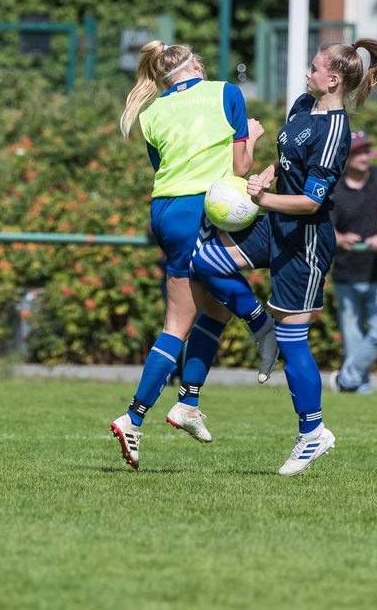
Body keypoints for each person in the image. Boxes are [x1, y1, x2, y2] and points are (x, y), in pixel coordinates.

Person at [191, 38, 377, 475]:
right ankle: (259, 325)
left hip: (304, 238)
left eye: (314, 68)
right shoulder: (304, 104)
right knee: (206, 259)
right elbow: (288, 163)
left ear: (333, 80)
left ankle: (313, 433)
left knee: (294, 341)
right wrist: (268, 172)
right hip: (277, 224)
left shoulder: (336, 130)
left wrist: (262, 200)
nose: (307, 73)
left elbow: (311, 203)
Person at [109, 41, 276, 470]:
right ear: (196, 65)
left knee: (213, 310)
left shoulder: (151, 114)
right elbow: (240, 169)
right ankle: (133, 418)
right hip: (199, 206)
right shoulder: (225, 92)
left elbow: (165, 167)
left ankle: (188, 402)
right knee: (177, 324)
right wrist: (254, 136)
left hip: (165, 210)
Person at [329, 130, 377, 394]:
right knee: (353, 341)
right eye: (356, 152)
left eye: (365, 150)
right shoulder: (334, 186)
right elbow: (326, 225)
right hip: (347, 275)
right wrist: (339, 238)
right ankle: (360, 391)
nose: (363, 156)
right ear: (345, 158)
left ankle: (345, 380)